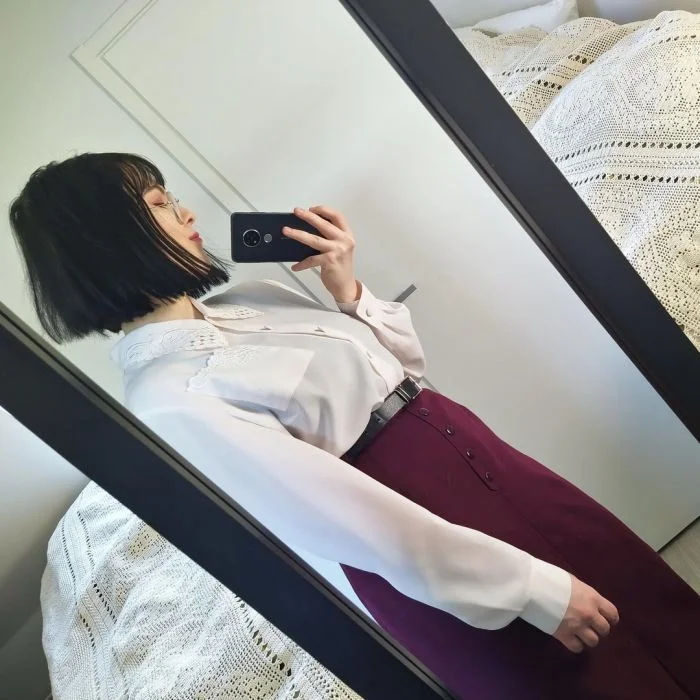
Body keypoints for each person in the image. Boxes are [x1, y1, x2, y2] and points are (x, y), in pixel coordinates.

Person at [10, 152, 700, 700]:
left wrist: (345, 286)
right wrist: (527, 589)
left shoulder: (255, 295)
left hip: (492, 465)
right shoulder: (168, 398)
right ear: (107, 238)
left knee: (655, 605)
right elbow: (349, 523)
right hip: (434, 537)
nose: (186, 211)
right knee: (592, 676)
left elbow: (405, 377)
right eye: (159, 203)